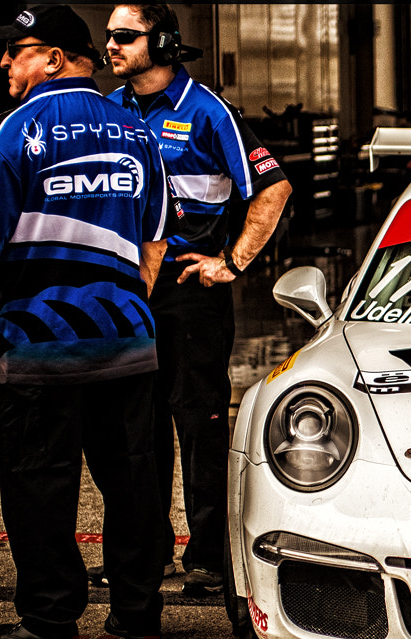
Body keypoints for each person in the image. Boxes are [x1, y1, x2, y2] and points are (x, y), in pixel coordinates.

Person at [0, 5, 170, 639]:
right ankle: (137, 616)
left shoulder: (10, 132)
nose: (3, 63)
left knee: (40, 485)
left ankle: (50, 623)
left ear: (52, 58)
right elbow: (155, 240)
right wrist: (125, 309)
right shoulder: (138, 132)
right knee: (135, 481)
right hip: (128, 346)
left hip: (39, 348)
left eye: (14, 51)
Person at [90, 4, 292, 597]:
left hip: (189, 294)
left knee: (198, 425)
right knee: (137, 428)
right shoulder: (115, 109)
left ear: (165, 42)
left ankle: (207, 556)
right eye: (108, 37)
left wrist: (229, 263)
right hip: (132, 294)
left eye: (125, 37)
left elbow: (273, 187)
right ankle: (144, 557)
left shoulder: (207, 110)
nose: (112, 46)